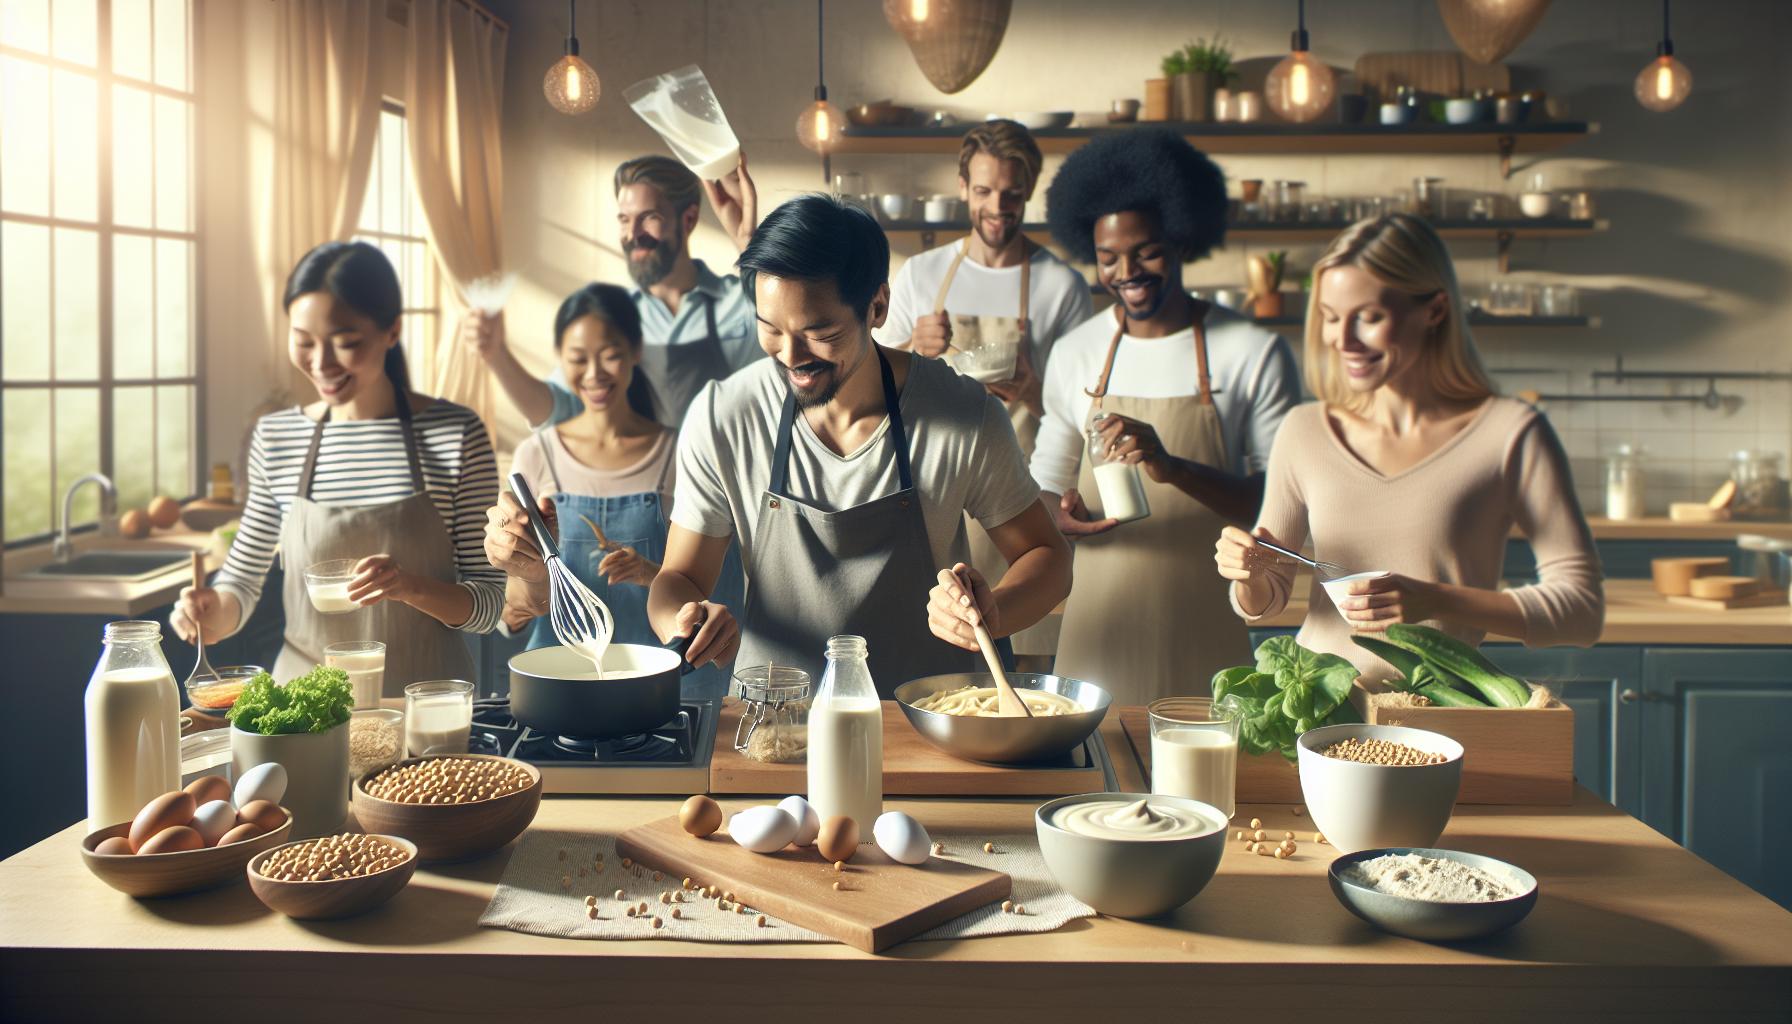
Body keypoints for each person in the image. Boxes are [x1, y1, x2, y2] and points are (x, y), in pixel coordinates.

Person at [640, 194, 1073, 691]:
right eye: (770, 329)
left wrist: (994, 613)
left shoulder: (963, 415)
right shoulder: (724, 416)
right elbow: (678, 579)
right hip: (775, 721)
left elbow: (1047, 557)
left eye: (819, 333)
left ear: (878, 307)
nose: (791, 356)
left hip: (932, 717)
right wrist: (684, 619)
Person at [1214, 214, 1604, 682]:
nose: (1344, 340)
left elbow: (1582, 612)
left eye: (1370, 317)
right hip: (1314, 711)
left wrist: (1433, 599)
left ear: (1435, 310)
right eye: (1332, 318)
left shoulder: (1510, 432)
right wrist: (1248, 571)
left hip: (1442, 717)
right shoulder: (1304, 430)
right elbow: (1264, 601)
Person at [1034, 129, 1300, 704]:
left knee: (1216, 789)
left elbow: (1280, 508)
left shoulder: (1251, 352)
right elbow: (1044, 489)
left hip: (1208, 625)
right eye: (1108, 258)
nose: (1126, 271)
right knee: (1096, 785)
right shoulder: (1076, 352)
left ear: (1181, 238)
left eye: (1146, 250)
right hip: (1099, 628)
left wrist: (1171, 466)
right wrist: (1058, 515)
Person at [171, 242, 503, 691]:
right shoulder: (276, 437)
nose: (321, 363)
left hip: (426, 712)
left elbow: (488, 603)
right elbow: (242, 585)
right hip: (305, 715)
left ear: (391, 332)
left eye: (345, 344)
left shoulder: (455, 433)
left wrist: (408, 587)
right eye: (303, 342)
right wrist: (211, 613)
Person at [875, 120, 1091, 622]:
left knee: (1023, 639)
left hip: (1027, 498)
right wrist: (911, 347)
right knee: (936, 638)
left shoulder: (1061, 286)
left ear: (1029, 191)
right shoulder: (923, 274)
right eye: (984, 190)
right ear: (961, 188)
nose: (997, 206)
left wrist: (1035, 391)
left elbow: (1086, 412)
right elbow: (874, 392)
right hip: (931, 495)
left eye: (1012, 193)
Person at [480, 284, 729, 699]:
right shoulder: (536, 454)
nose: (594, 373)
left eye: (610, 355)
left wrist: (650, 573)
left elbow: (703, 589)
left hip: (654, 685)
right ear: (560, 359)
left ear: (635, 350)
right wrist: (529, 573)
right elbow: (514, 612)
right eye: (578, 359)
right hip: (555, 684)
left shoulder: (681, 453)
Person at [461, 153, 761, 430]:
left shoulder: (745, 301)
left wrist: (749, 244)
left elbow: (795, 348)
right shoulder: (615, 317)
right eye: (624, 219)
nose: (633, 234)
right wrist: (497, 355)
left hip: (724, 484)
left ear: (689, 219)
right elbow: (556, 411)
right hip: (644, 482)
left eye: (649, 217)